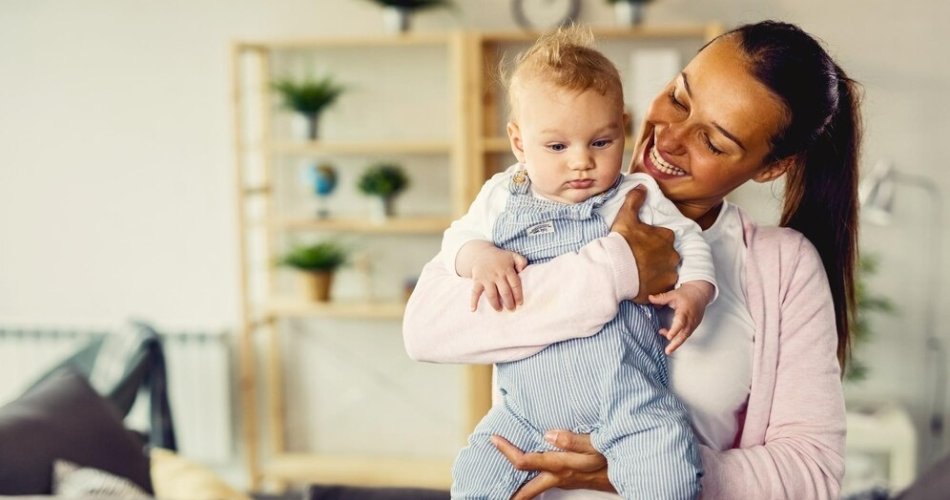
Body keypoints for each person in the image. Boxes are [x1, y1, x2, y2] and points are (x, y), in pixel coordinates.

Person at [404, 19, 859, 500]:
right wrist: (617, 266)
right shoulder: (525, 201)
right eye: (680, 98)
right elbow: (426, 330)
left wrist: (635, 462)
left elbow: (812, 475)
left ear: (771, 167)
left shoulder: (780, 267)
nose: (671, 137)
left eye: (714, 141)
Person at [437, 27, 716, 499]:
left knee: (667, 475)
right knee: (475, 478)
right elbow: (456, 240)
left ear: (621, 130)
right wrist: (478, 256)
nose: (581, 163)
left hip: (628, 404)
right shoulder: (502, 195)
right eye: (557, 147)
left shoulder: (634, 195)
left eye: (601, 143)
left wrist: (695, 290)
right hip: (523, 411)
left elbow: (687, 240)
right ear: (519, 142)